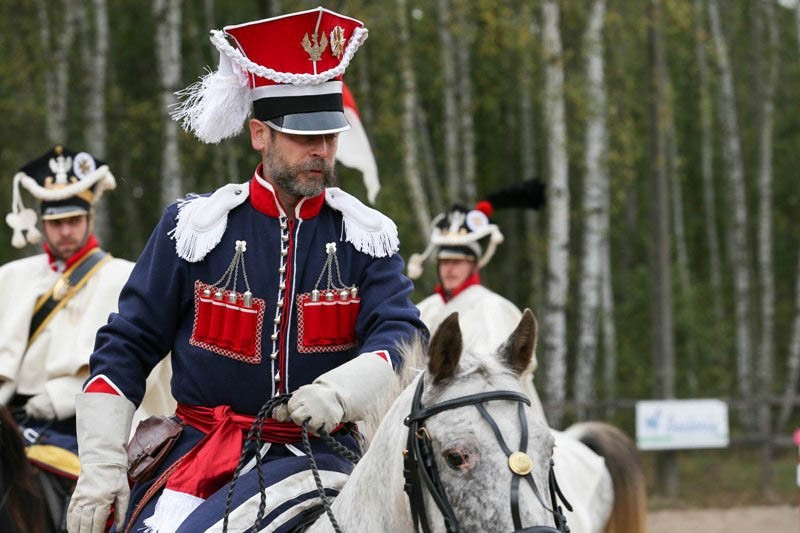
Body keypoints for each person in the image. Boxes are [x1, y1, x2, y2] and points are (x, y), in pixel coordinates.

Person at [67, 8, 426, 533]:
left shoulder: (366, 235)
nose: (321, 152)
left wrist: (338, 393)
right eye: (304, 138)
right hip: (202, 460)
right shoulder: (192, 228)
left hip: (326, 457)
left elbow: (402, 336)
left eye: (329, 137)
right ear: (259, 134)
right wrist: (100, 471)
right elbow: (125, 346)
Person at [408, 186, 612, 533]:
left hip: (501, 421)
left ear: (474, 263)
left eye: (458, 261)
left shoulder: (492, 307)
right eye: (444, 261)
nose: (450, 268)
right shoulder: (425, 309)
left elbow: (494, 379)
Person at [0, 145, 174, 530]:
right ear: (41, 224)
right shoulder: (10, 276)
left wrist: (63, 397)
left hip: (86, 426)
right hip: (11, 421)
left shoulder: (124, 276)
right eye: (56, 222)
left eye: (74, 219)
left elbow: (139, 365)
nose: (66, 230)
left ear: (90, 217)